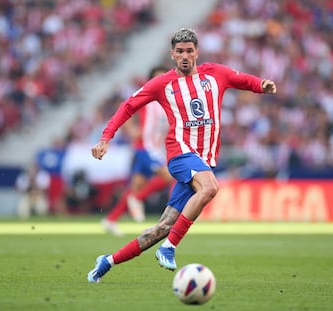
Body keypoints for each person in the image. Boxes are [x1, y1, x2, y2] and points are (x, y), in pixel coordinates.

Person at [87, 28, 276, 283]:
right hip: (180, 153)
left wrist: (261, 85)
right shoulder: (162, 83)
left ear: (197, 52)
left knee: (162, 228)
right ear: (172, 55)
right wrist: (105, 137)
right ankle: (170, 247)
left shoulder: (215, 73)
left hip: (203, 159)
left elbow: (242, 79)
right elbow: (128, 105)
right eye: (180, 52)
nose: (185, 56)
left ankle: (107, 261)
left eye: (189, 50)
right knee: (210, 188)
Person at [101, 65, 174, 236]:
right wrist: (132, 130)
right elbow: (126, 109)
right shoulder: (148, 97)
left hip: (156, 149)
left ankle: (111, 219)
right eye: (157, 77)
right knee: (168, 177)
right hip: (145, 148)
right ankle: (137, 199)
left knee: (136, 186)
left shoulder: (169, 100)